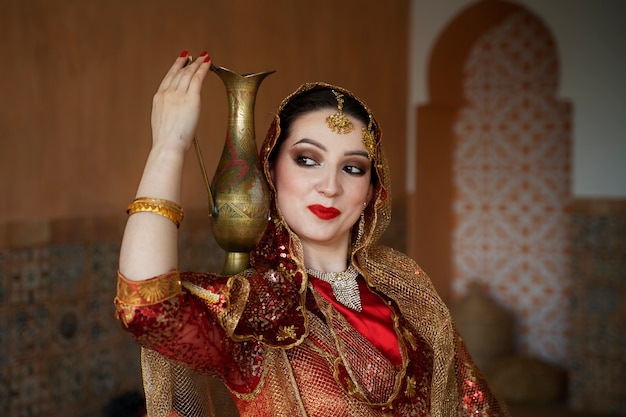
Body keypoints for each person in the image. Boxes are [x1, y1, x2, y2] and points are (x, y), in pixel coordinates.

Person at [114, 51, 510, 417]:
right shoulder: (253, 311)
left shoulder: (408, 290)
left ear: (374, 189)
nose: (330, 186)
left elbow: (476, 407)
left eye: (352, 168)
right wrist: (169, 146)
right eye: (307, 160)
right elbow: (146, 309)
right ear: (272, 170)